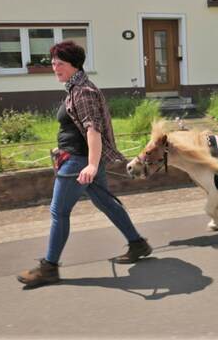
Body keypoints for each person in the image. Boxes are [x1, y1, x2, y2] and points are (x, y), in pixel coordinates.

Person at [18, 40, 151, 287]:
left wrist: (90, 165)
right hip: (78, 157)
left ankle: (49, 267)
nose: (54, 66)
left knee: (59, 212)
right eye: (53, 62)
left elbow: (93, 129)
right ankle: (138, 243)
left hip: (79, 162)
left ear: (74, 64)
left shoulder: (83, 91)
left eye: (60, 62)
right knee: (105, 202)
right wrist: (63, 146)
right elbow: (76, 126)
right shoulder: (74, 88)